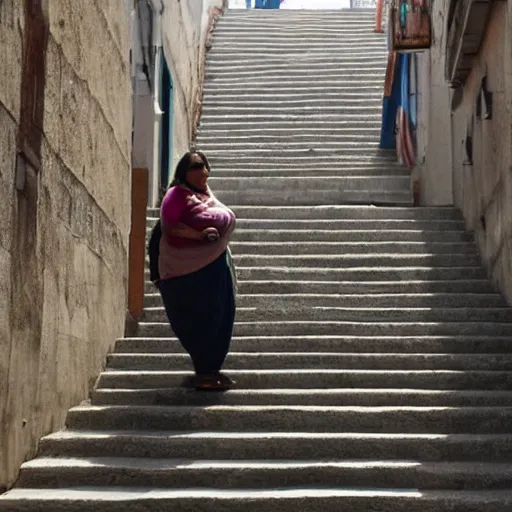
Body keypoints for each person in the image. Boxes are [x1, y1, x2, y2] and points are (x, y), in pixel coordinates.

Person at [149, 150, 237, 391]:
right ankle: (204, 372)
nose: (203, 171)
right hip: (186, 275)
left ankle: (211, 371)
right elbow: (167, 228)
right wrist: (199, 235)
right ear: (184, 173)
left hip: (214, 270)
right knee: (199, 320)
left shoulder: (206, 197)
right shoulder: (176, 195)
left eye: (205, 166)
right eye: (196, 166)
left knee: (221, 316)